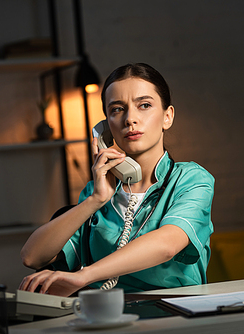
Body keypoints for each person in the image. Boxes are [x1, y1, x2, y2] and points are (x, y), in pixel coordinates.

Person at [19, 63, 214, 297]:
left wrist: (84, 276)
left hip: (173, 313)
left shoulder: (191, 180)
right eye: (117, 109)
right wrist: (95, 200)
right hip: (107, 316)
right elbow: (31, 256)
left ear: (167, 116)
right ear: (105, 128)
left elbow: (167, 245)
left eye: (144, 105)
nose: (130, 119)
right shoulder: (98, 192)